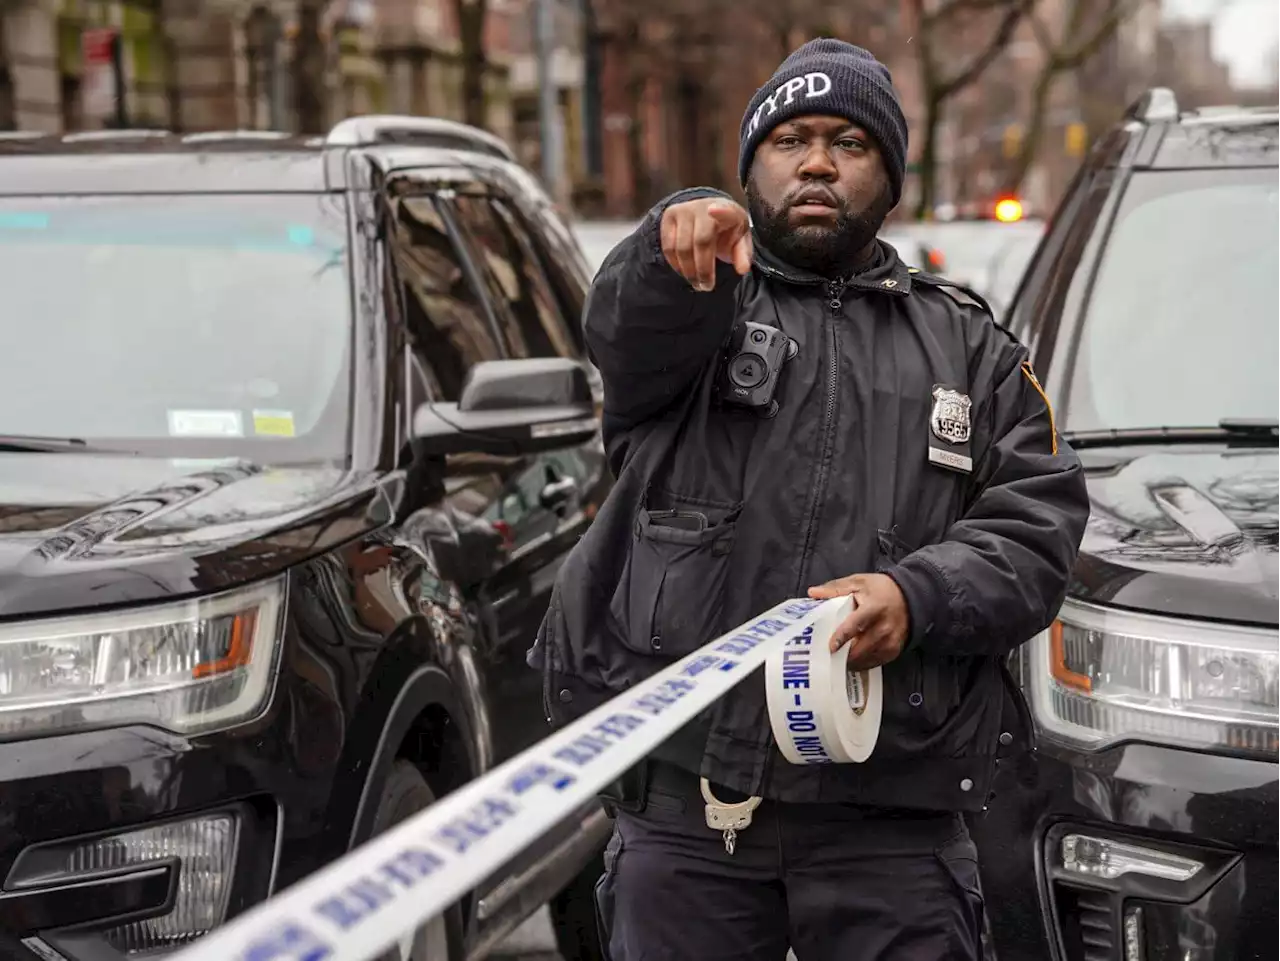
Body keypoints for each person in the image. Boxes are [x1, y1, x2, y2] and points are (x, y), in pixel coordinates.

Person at [528, 37, 1090, 961]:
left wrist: (917, 597)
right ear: (753, 169)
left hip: (894, 825)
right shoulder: (697, 305)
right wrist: (669, 240)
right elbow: (626, 324)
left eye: (850, 142)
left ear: (891, 176)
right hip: (685, 813)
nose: (819, 160)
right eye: (790, 138)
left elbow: (1039, 530)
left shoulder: (972, 351)